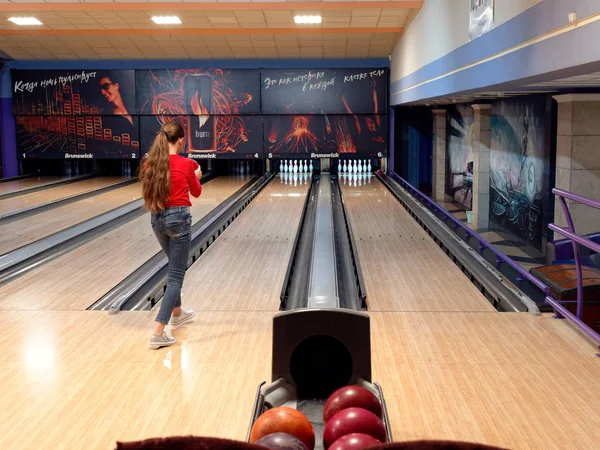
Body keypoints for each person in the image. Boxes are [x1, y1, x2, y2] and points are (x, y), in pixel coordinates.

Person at [139, 121, 202, 349]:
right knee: (176, 275)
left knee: (173, 268)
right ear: (181, 140)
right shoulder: (186, 164)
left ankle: (177, 313)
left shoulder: (150, 165)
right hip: (178, 221)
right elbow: (196, 191)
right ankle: (158, 332)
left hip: (156, 219)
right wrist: (196, 175)